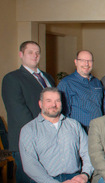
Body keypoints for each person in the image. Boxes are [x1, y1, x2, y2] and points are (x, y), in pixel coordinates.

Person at [2, 40, 55, 182]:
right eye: (30, 52)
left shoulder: (48, 77)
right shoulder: (12, 78)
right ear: (21, 54)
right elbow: (18, 112)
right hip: (26, 140)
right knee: (29, 179)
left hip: (49, 140)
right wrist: (42, 132)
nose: (34, 55)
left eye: (37, 52)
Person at [19, 87, 93, 182]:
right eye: (48, 101)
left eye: (57, 101)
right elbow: (30, 165)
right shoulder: (29, 130)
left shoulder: (74, 125)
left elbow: (88, 152)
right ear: (40, 104)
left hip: (75, 178)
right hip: (45, 180)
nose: (54, 105)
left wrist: (85, 174)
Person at [57, 50, 105, 128]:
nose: (86, 64)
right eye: (82, 60)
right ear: (76, 62)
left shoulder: (97, 82)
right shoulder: (66, 83)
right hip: (78, 131)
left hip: (98, 130)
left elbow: (104, 107)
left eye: (89, 61)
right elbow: (62, 112)